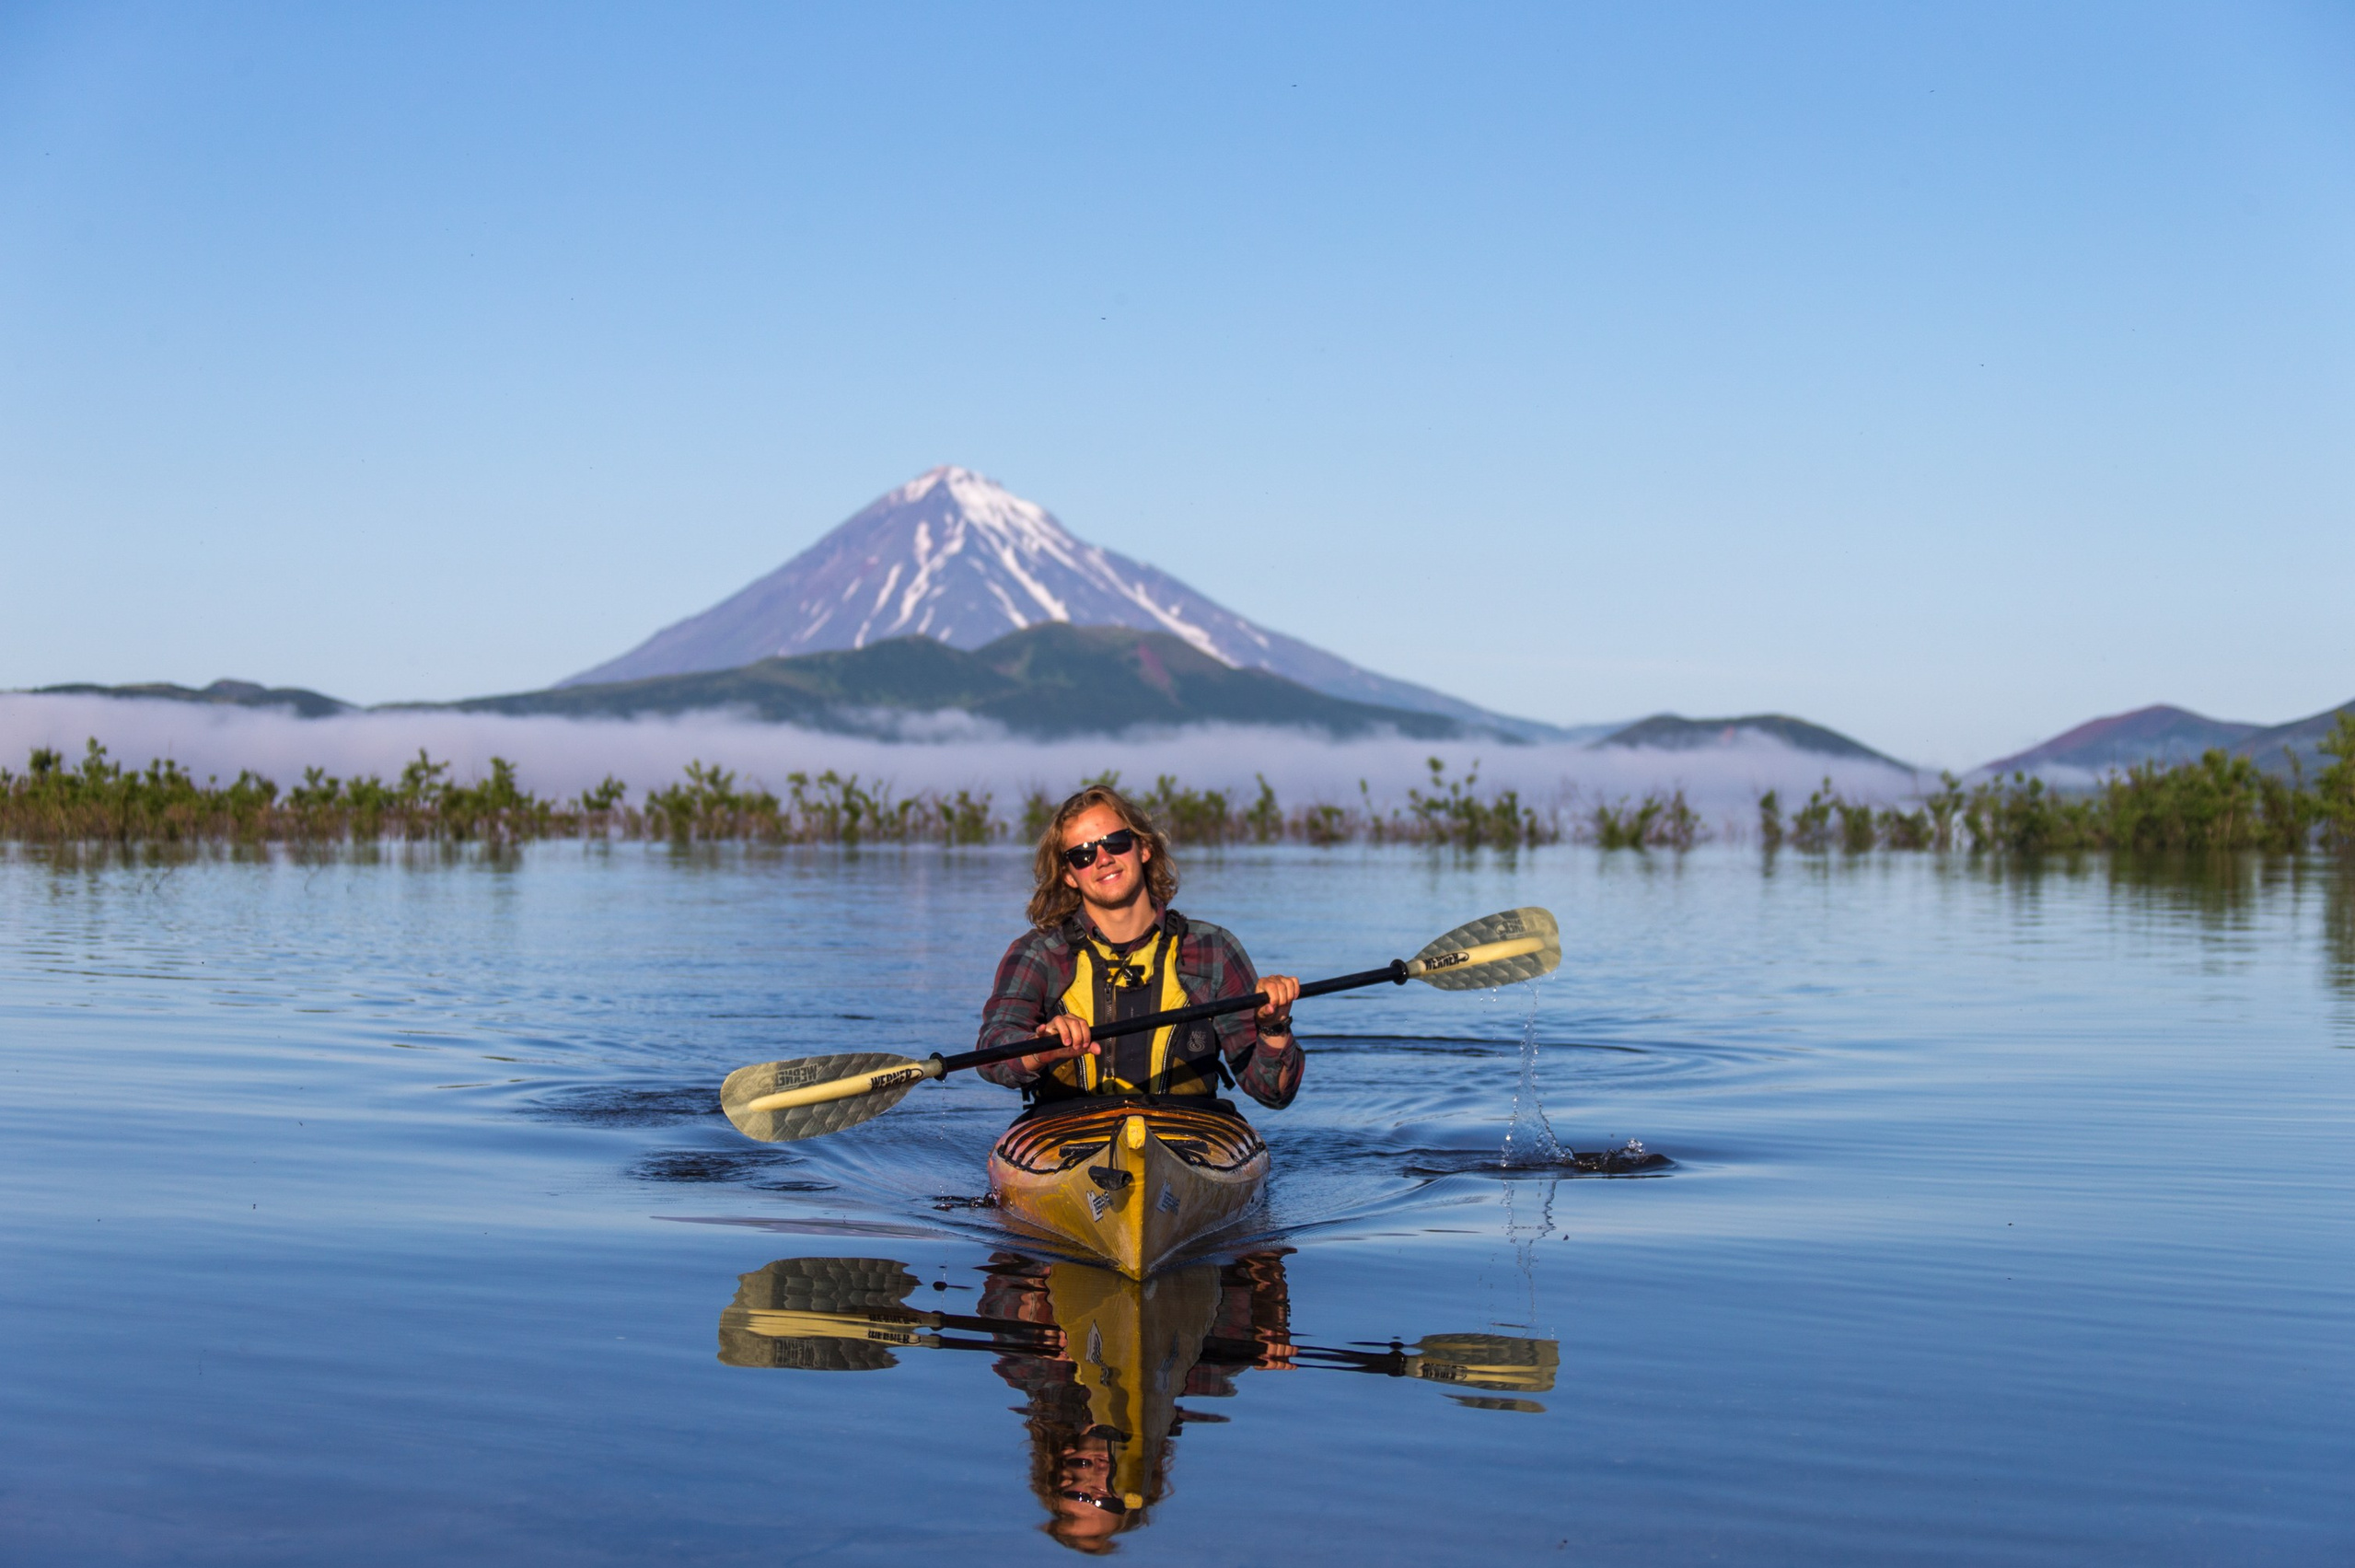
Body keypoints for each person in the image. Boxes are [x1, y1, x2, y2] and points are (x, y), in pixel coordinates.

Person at [977, 784, 1303, 1110]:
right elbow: (993, 1048)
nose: (1103, 860)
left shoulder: (1214, 948)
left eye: (1115, 843)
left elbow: (1272, 1091)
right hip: (1067, 1129)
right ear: (1069, 875)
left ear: (1143, 848)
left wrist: (1274, 1025)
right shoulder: (1037, 953)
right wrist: (1041, 1047)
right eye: (1083, 854)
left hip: (1190, 1132)